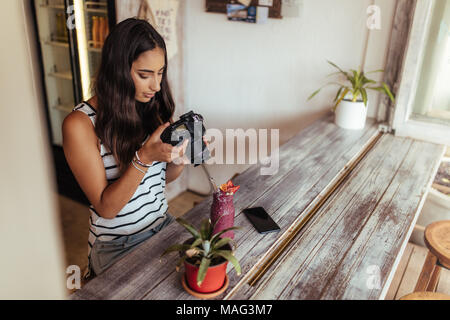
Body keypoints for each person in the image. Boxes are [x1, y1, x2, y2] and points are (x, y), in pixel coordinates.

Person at [62, 18, 195, 279]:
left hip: (162, 224)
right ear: (117, 70)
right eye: (144, 75)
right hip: (117, 245)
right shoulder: (80, 124)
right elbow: (106, 208)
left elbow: (159, 179)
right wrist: (144, 157)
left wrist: (179, 159)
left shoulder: (151, 107)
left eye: (160, 73)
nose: (156, 86)